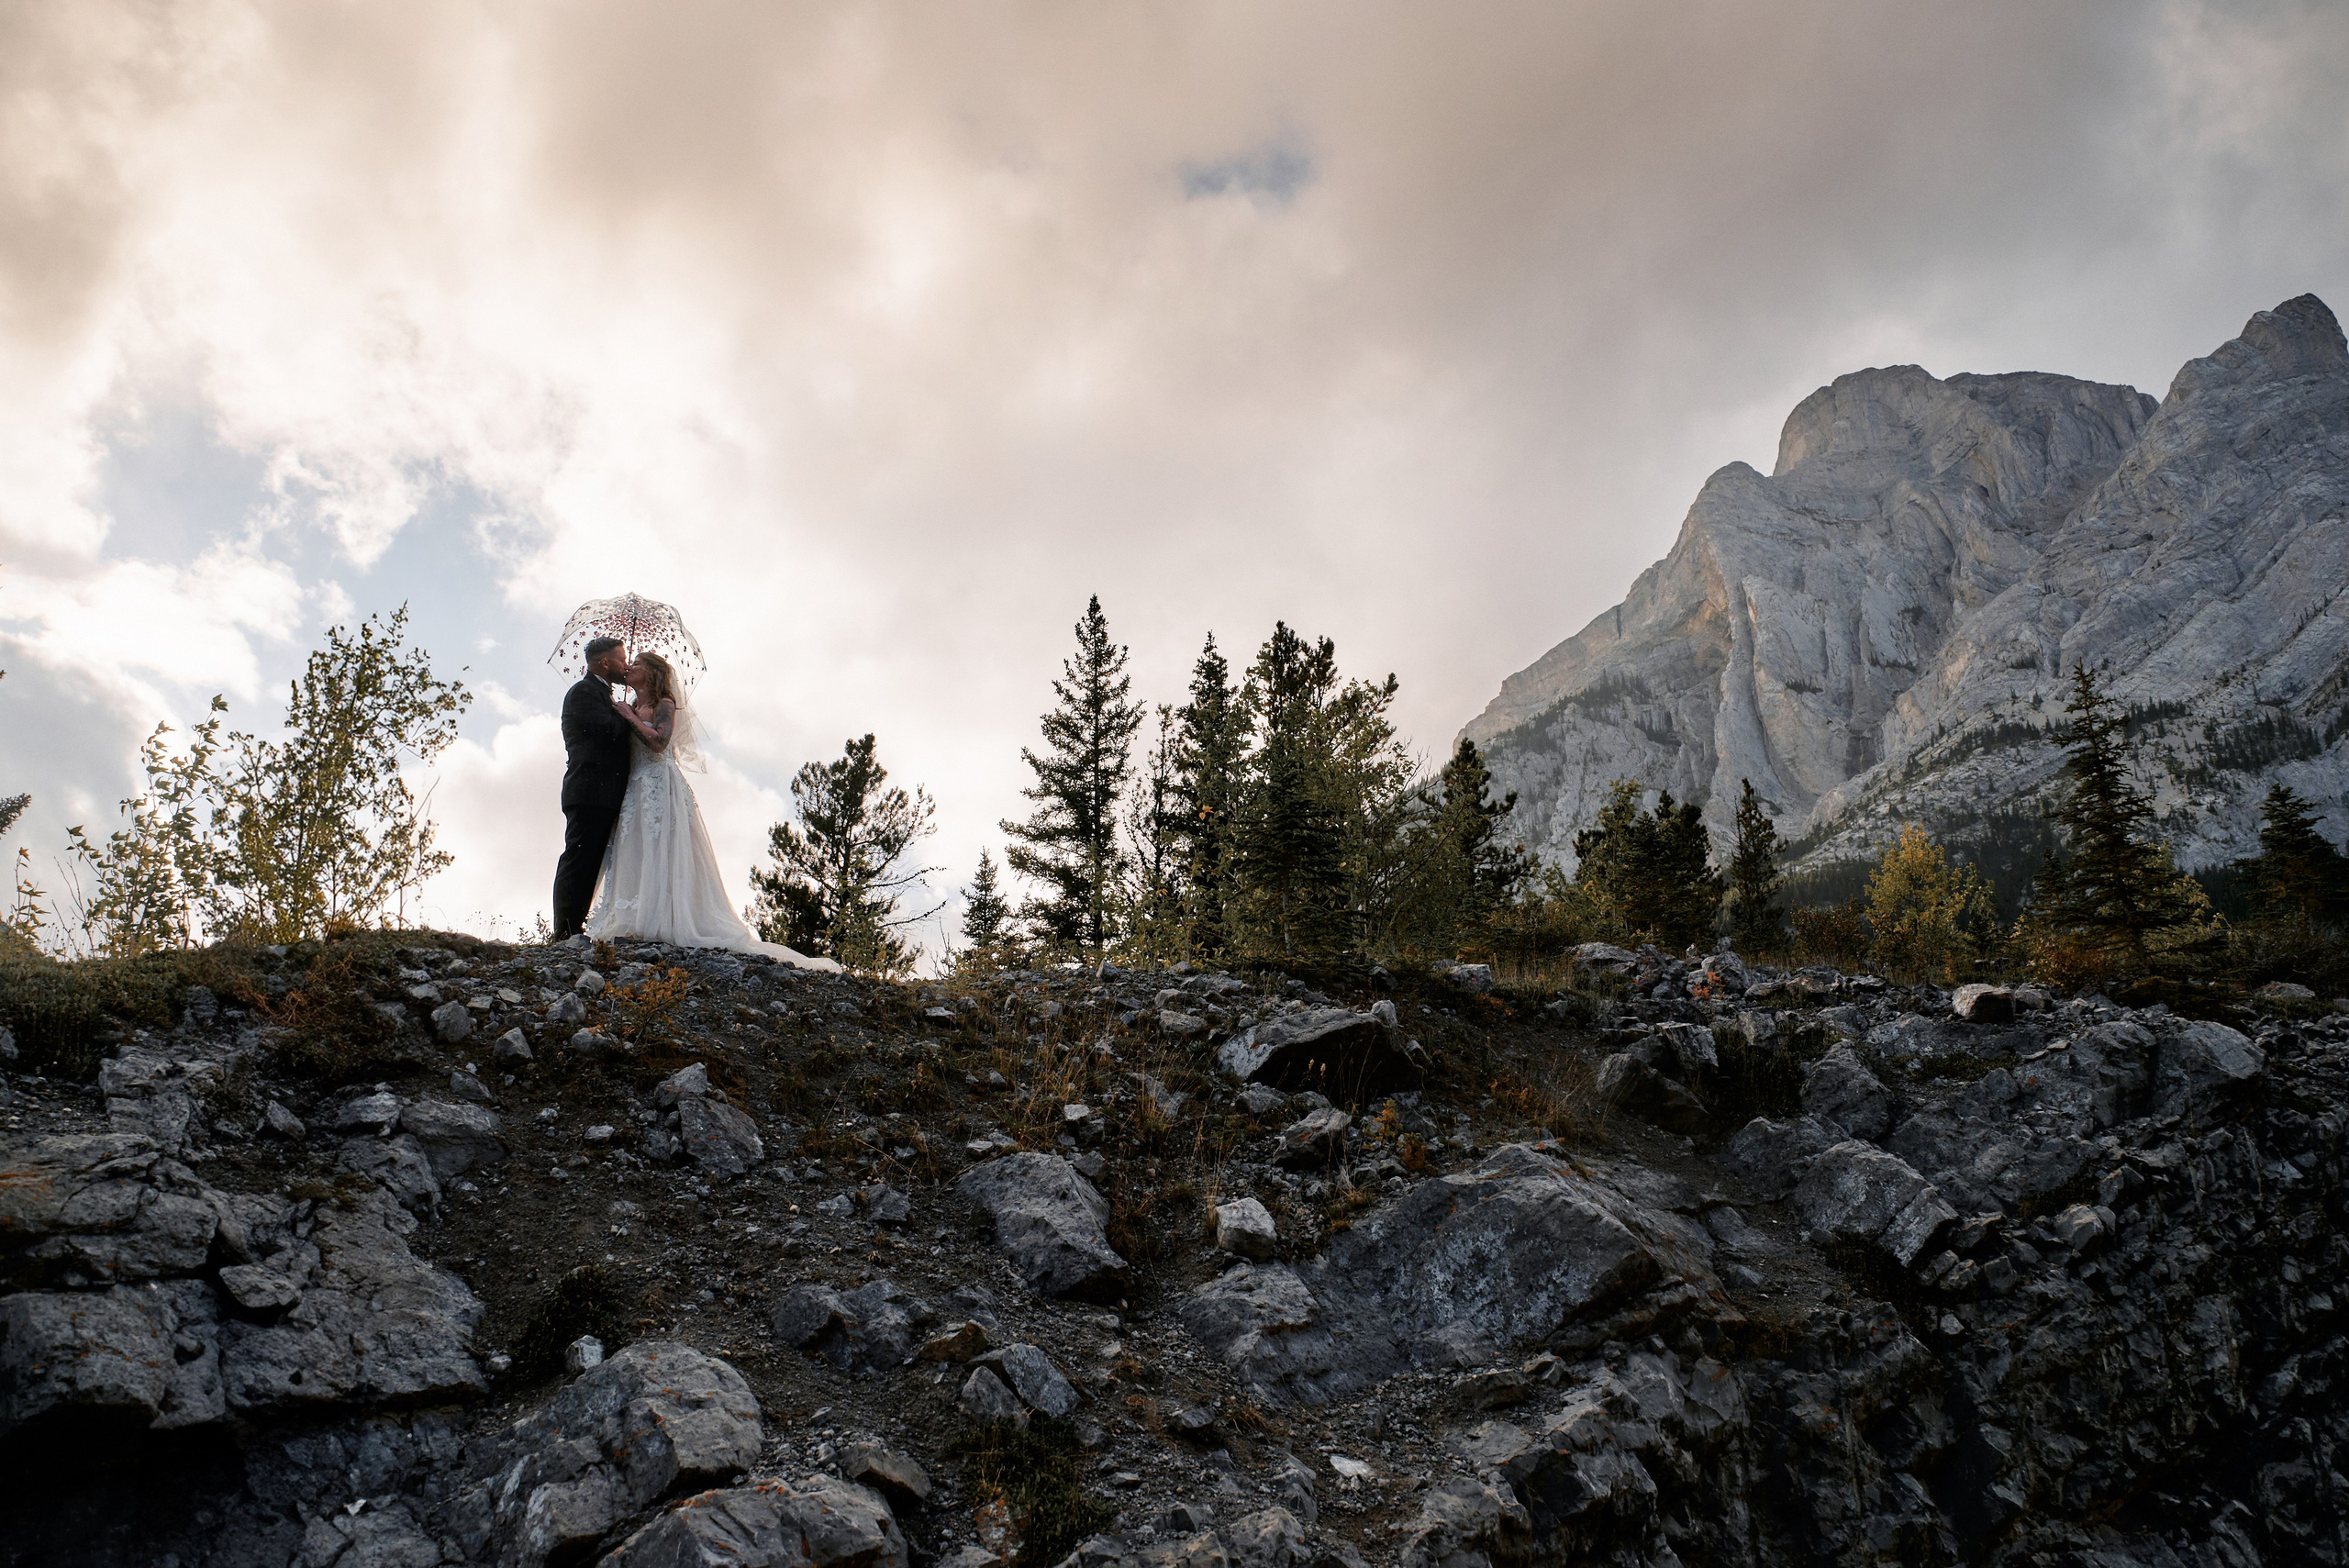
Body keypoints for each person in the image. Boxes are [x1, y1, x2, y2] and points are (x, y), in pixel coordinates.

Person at [583, 650, 840, 971]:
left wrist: (631, 718)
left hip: (660, 782)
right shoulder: (629, 705)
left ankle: (668, 918)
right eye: (629, 663)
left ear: (650, 673)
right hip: (635, 786)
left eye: (636, 664)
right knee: (636, 847)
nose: (629, 667)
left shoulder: (663, 704)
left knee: (664, 846)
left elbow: (660, 742)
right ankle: (633, 915)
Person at [551, 636, 635, 938]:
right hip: (588, 790)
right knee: (578, 858)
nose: (626, 665)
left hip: (603, 793)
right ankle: (564, 932)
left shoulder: (604, 694)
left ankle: (576, 927)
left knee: (592, 862)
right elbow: (607, 733)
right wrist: (627, 714)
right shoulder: (584, 693)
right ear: (605, 662)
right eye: (622, 659)